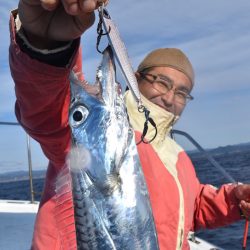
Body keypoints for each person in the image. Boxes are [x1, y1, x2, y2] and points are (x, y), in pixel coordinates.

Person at [9, 0, 250, 249]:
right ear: (136, 78)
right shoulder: (88, 134)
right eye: (162, 82)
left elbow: (190, 208)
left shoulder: (177, 155)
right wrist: (46, 44)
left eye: (181, 92)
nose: (169, 98)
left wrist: (234, 200)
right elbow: (48, 113)